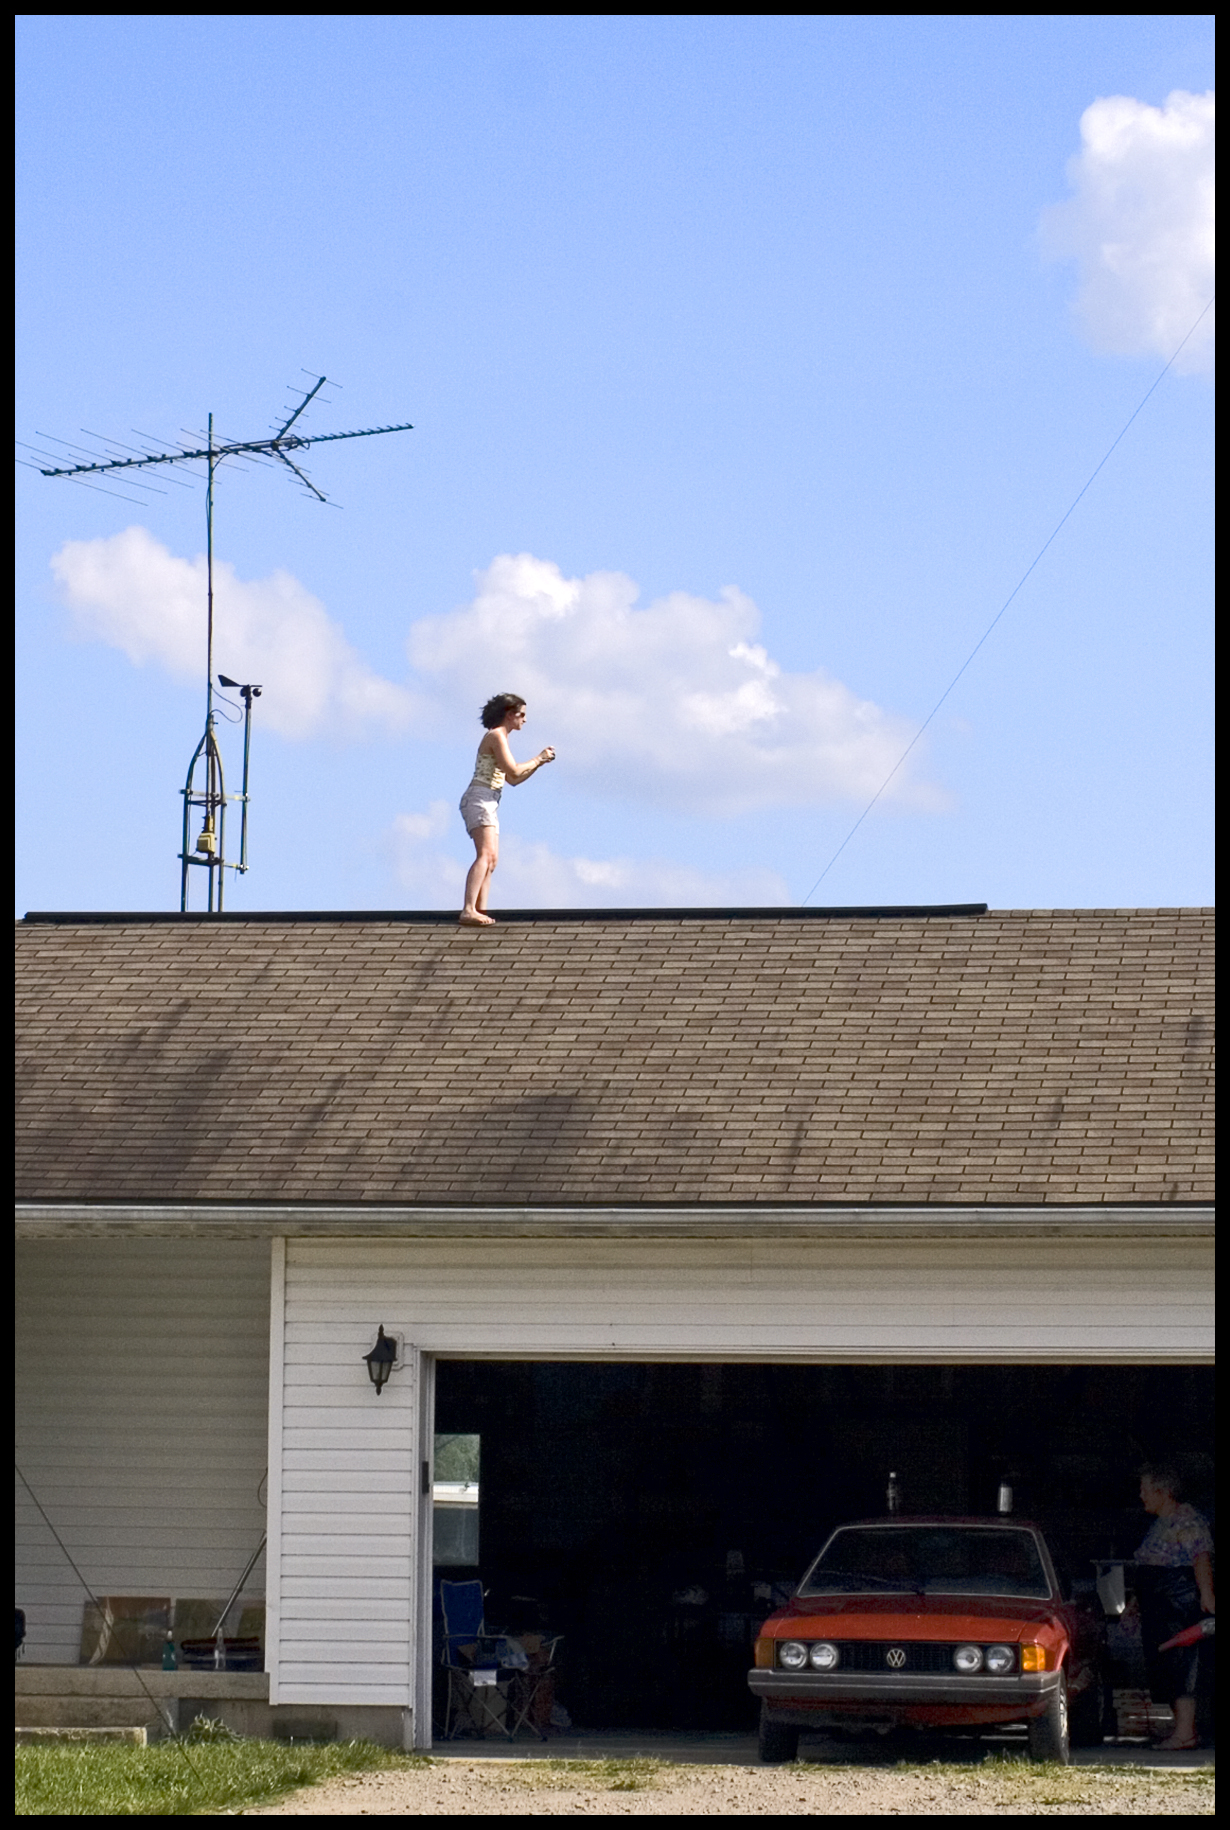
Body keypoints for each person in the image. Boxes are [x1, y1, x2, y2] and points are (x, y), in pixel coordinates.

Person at [1134, 1463, 1215, 1750]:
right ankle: (1182, 1727)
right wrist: (1135, 1603)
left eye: (1145, 1489)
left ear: (1164, 1491)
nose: (1141, 1495)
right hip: (1158, 1604)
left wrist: (1207, 1595)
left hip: (1178, 1603)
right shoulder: (1159, 1523)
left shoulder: (1187, 1520)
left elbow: (1200, 1558)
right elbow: (1149, 1565)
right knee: (1164, 1665)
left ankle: (1185, 1733)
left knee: (1182, 1663)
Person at [458, 693, 555, 926]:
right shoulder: (496, 736)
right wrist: (538, 758)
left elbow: (513, 779)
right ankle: (469, 909)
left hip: (489, 800)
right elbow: (513, 770)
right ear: (509, 715)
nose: (524, 720)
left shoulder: (502, 737)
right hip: (480, 798)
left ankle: (480, 909)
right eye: (521, 715)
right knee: (485, 855)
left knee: (492, 859)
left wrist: (539, 763)